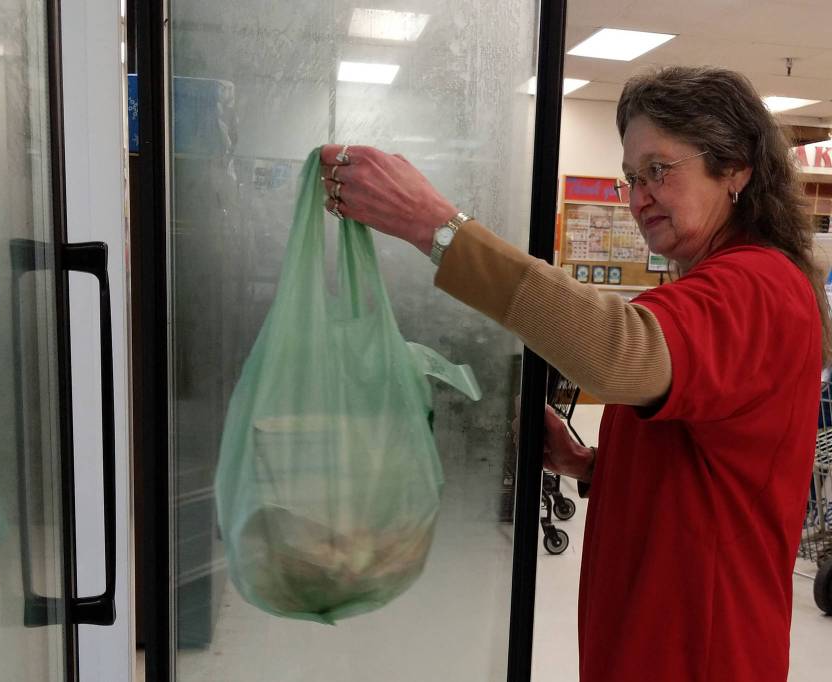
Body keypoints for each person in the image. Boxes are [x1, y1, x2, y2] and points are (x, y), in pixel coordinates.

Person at [318, 66, 832, 682]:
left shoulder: (758, 286)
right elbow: (713, 467)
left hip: (701, 653)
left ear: (736, 168)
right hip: (652, 637)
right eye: (632, 178)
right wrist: (589, 465)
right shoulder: (720, 282)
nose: (640, 196)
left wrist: (436, 228)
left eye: (660, 170)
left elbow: (619, 353)